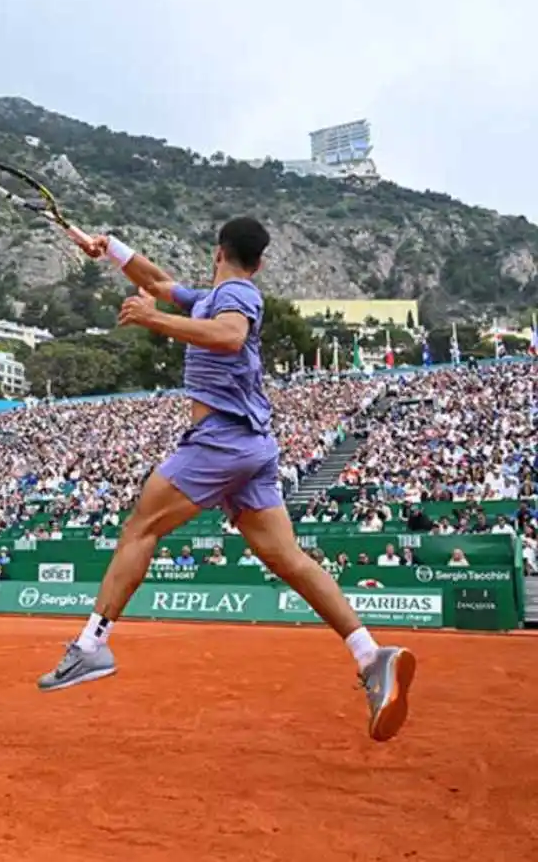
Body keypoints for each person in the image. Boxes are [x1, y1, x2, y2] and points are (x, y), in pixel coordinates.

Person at [36, 218, 417, 743]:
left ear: (219, 252)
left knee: (140, 528)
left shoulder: (234, 295)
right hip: (252, 447)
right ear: (257, 259)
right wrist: (109, 250)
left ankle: (91, 644)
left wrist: (155, 322)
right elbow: (160, 283)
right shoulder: (212, 296)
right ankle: (371, 655)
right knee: (288, 559)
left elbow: (230, 337)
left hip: (221, 441)